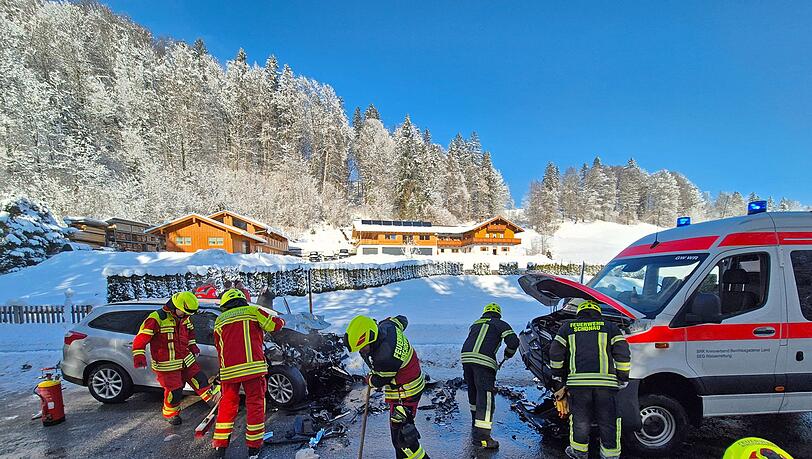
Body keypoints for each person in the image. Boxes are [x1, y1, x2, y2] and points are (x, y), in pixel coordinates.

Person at [548, 300, 631, 459]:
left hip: (578, 385)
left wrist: (557, 374)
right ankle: (610, 454)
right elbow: (622, 353)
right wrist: (623, 377)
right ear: (598, 312)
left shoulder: (568, 327)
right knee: (609, 421)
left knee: (580, 421)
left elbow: (555, 352)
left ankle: (579, 452)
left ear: (579, 312)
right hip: (606, 385)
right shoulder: (610, 327)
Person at [212, 288, 285, 459]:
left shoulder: (219, 320)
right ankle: (253, 447)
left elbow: (218, 347)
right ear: (243, 299)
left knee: (227, 406)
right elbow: (274, 325)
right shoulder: (252, 311)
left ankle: (220, 447)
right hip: (253, 369)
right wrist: (281, 321)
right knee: (255, 405)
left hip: (229, 372)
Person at [344, 315, 429, 459]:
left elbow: (378, 381)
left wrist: (369, 379)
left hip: (405, 394)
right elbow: (402, 320)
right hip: (413, 381)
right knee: (401, 435)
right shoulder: (389, 326)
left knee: (403, 438)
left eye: (363, 348)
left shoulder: (384, 357)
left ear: (372, 338)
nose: (362, 352)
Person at [132, 291, 220, 424]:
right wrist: (139, 354)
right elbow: (142, 337)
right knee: (175, 391)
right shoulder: (156, 318)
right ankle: (171, 414)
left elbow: (190, 333)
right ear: (175, 306)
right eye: (184, 312)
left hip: (186, 359)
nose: (186, 316)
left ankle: (215, 403)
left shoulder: (185, 317)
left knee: (201, 380)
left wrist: (193, 346)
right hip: (167, 365)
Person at [460, 302, 519, 449]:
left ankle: (476, 425)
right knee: (485, 399)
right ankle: (482, 438)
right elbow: (513, 342)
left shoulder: (475, 324)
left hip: (466, 358)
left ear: (484, 313)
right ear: (498, 314)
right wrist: (507, 355)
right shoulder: (501, 324)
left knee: (473, 393)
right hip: (484, 361)